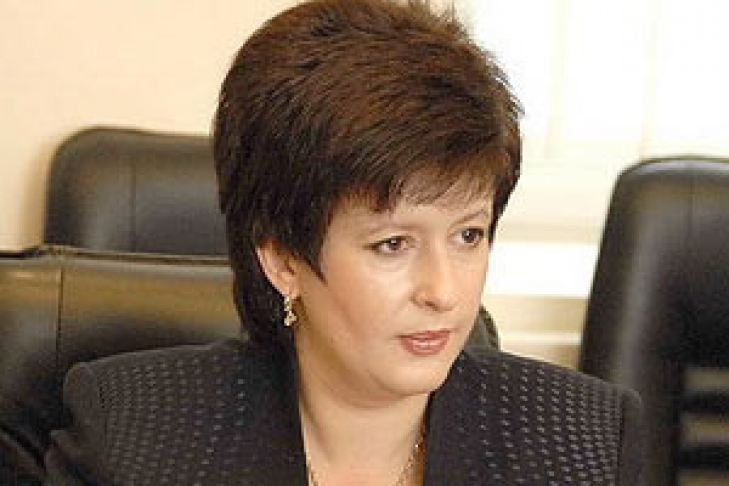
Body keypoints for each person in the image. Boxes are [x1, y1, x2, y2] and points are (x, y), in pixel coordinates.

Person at [44, 0, 643, 484]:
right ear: (282, 258)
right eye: (393, 245)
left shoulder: (585, 444)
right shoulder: (130, 437)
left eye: (468, 235)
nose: (444, 291)